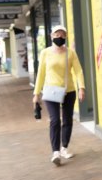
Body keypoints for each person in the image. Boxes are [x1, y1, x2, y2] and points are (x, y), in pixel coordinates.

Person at [33, 25, 86, 166]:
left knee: (67, 120)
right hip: (51, 91)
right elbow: (41, 73)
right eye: (57, 35)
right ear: (51, 36)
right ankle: (55, 152)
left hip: (68, 91)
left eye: (62, 35)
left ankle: (64, 148)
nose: (59, 37)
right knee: (55, 120)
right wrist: (36, 93)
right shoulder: (45, 53)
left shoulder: (71, 53)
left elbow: (78, 71)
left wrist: (81, 88)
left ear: (66, 37)